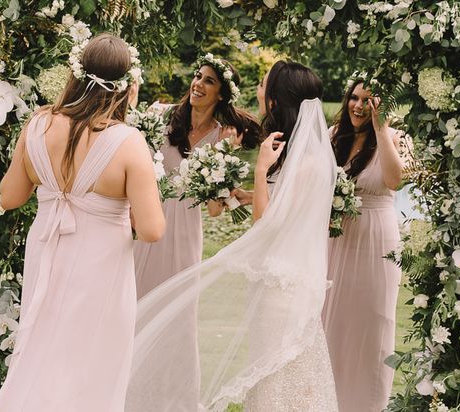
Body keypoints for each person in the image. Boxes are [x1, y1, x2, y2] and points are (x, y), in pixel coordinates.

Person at [125, 60, 338, 412]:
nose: (259, 90)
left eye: (264, 85)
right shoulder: (298, 154)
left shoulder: (296, 159)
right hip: (285, 281)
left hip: (280, 286)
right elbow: (286, 204)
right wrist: (248, 191)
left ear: (275, 100)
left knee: (277, 383)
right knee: (283, 382)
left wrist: (258, 171)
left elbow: (266, 222)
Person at [0, 33, 165, 412]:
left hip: (47, 253)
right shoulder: (128, 141)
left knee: (41, 355)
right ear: (126, 86)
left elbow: (10, 197)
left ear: (76, 74)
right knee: (91, 368)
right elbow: (152, 230)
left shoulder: (38, 125)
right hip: (101, 270)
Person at [133, 54, 259, 299]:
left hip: (185, 232)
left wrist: (222, 154)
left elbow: (214, 210)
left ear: (221, 95)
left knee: (177, 305)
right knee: (136, 297)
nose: (198, 84)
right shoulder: (160, 116)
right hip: (147, 217)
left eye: (209, 81)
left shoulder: (221, 137)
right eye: (198, 76)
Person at [322, 77, 404, 412]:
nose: (358, 106)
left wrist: (380, 127)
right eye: (354, 98)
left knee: (372, 323)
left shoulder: (395, 137)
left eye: (367, 101)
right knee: (332, 323)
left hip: (376, 238)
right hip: (336, 238)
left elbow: (394, 180)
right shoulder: (332, 135)